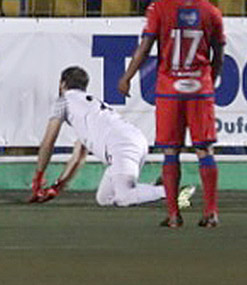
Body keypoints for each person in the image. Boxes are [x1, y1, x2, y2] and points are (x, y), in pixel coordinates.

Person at [117, 0, 225, 228]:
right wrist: (209, 80)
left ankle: (174, 215)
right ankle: (210, 212)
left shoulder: (159, 9)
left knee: (170, 151)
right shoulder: (212, 12)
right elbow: (219, 53)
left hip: (169, 90)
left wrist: (128, 76)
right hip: (200, 89)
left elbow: (145, 47)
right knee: (205, 149)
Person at [29, 66, 194, 209]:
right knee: (104, 198)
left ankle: (172, 191)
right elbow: (78, 156)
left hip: (122, 146)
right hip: (132, 141)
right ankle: (157, 188)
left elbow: (48, 141)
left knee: (124, 197)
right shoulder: (87, 109)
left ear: (62, 84)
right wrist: (57, 187)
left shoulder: (64, 100)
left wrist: (38, 176)